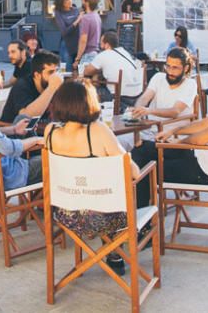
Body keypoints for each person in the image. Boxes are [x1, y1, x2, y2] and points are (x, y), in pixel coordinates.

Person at [46, 78, 140, 276]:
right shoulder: (97, 130)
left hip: (66, 215)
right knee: (122, 192)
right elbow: (133, 172)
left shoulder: (50, 132)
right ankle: (115, 251)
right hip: (105, 218)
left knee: (99, 195)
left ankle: (110, 252)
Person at [134, 58, 208, 206]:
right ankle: (134, 215)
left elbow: (199, 140)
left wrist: (176, 143)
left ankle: (141, 223)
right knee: (142, 149)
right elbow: (204, 123)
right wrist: (174, 131)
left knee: (147, 171)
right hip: (203, 160)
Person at [125, 48, 197, 150]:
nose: (170, 71)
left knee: (136, 150)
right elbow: (145, 97)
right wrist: (138, 109)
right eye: (168, 66)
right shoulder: (158, 77)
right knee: (116, 141)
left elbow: (174, 112)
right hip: (150, 129)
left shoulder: (190, 84)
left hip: (171, 135)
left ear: (186, 68)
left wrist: (148, 111)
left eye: (175, 68)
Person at [82, 30, 143, 108]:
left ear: (107, 45)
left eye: (101, 43)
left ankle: (93, 112)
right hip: (137, 95)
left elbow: (87, 72)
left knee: (90, 87)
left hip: (119, 96)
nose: (100, 45)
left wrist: (97, 70)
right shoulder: (124, 52)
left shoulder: (104, 54)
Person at [0, 50, 62, 125]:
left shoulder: (52, 85)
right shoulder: (22, 86)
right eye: (51, 72)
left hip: (41, 131)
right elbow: (25, 116)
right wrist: (51, 88)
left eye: (57, 71)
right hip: (15, 133)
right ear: (37, 75)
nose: (55, 76)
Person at [73, 0, 102, 67]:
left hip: (87, 56)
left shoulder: (86, 18)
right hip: (95, 54)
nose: (82, 1)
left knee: (82, 78)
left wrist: (77, 59)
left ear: (87, 2)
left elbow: (83, 40)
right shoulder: (97, 16)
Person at [52, 0, 80, 67]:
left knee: (79, 71)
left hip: (78, 45)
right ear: (62, 1)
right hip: (67, 46)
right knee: (67, 72)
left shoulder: (75, 10)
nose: (70, 1)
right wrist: (77, 21)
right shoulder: (58, 13)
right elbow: (64, 32)